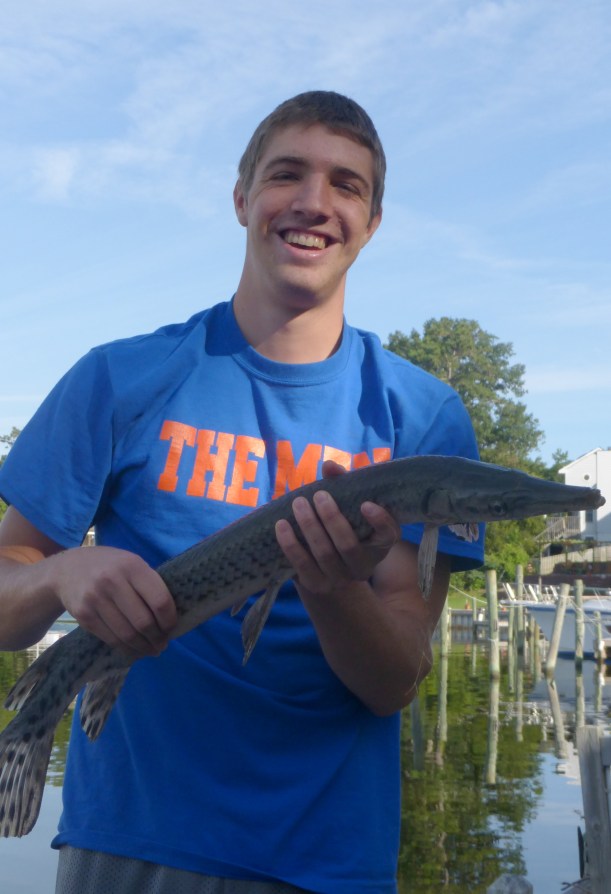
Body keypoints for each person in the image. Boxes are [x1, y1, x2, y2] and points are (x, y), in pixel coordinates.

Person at [0, 91, 483, 894]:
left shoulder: (423, 417)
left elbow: (392, 679)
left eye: (346, 185)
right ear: (241, 199)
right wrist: (58, 575)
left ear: (372, 222)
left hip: (328, 860)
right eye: (286, 174)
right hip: (131, 844)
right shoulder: (119, 379)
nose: (313, 203)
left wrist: (331, 589)